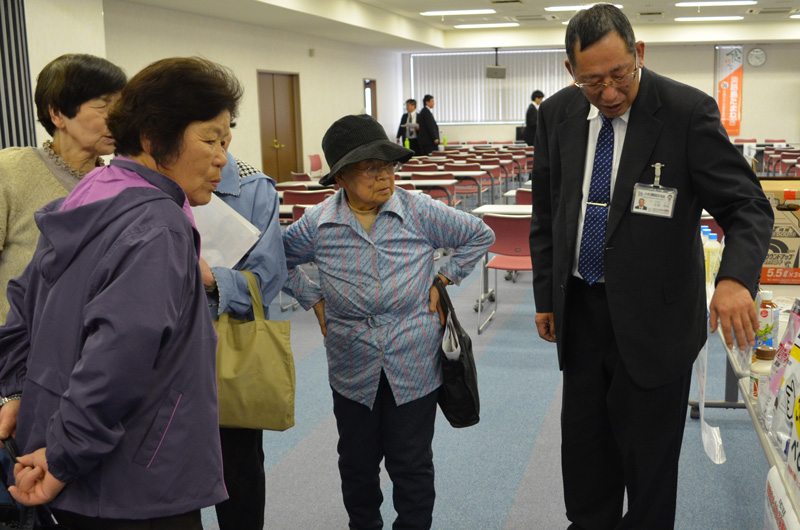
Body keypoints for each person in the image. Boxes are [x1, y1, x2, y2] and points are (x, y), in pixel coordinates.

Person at [528, 5, 772, 529]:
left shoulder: (686, 111)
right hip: (583, 318)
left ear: (639, 53)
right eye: (593, 81)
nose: (610, 92)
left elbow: (748, 205)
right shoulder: (557, 116)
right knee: (586, 463)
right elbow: (548, 214)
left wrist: (733, 279)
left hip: (656, 325)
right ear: (570, 72)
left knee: (649, 474)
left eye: (621, 74)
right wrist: (546, 298)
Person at [0, 56, 243, 529]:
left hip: (60, 447)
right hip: (136, 475)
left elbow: (20, 309)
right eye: (211, 139)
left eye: (226, 141)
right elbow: (119, 356)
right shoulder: (159, 226)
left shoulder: (85, 195)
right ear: (153, 137)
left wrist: (15, 393)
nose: (222, 158)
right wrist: (66, 455)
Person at [282, 114, 494, 530]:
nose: (384, 176)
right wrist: (313, 299)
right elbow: (276, 259)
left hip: (413, 356)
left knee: (411, 462)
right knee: (357, 464)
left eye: (388, 165)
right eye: (370, 168)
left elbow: (480, 235)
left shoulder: (417, 210)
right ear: (341, 176)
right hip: (350, 361)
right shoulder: (319, 222)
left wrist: (444, 277)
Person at [0, 54, 126, 324]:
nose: (118, 118)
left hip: (93, 349)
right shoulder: (10, 169)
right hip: (19, 350)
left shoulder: (122, 185)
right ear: (57, 113)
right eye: (104, 106)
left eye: (122, 107)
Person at [204, 147, 287, 530]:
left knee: (238, 470)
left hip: (227, 351)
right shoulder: (147, 182)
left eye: (220, 134)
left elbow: (268, 278)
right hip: (159, 355)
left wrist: (212, 279)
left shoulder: (252, 187)